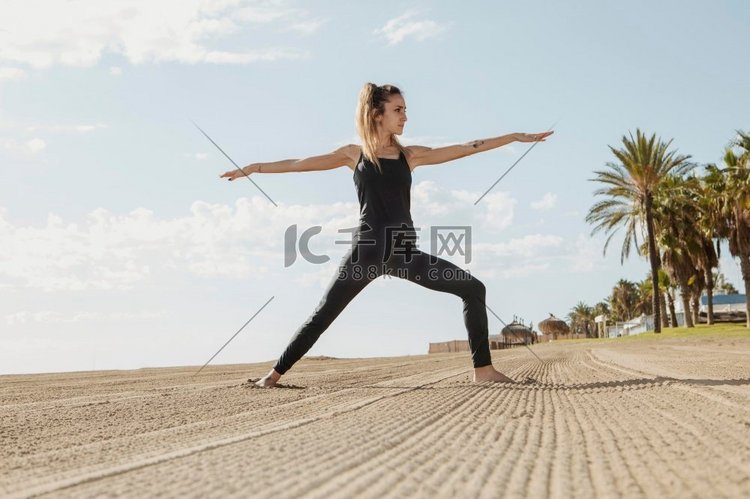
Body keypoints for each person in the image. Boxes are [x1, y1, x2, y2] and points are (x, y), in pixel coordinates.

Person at [220, 83, 552, 388]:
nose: (405, 116)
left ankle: (483, 371)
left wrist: (513, 137)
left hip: (405, 253)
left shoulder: (410, 155)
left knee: (472, 288)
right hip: (367, 251)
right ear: (377, 114)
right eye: (399, 109)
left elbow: (466, 148)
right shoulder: (354, 154)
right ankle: (273, 376)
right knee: (323, 315)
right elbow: (297, 163)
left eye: (405, 109)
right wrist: (256, 167)